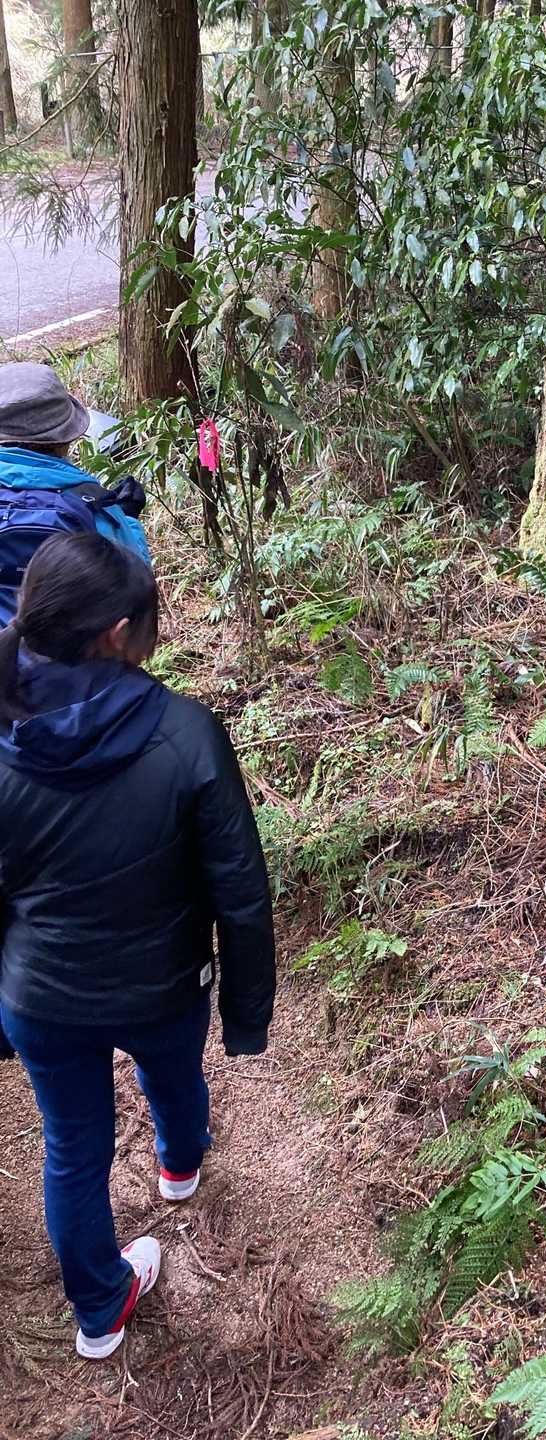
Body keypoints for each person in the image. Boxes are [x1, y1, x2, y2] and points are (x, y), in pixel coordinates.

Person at [0, 534, 276, 1360]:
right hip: (164, 984)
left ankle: (98, 1312)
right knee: (174, 1076)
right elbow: (241, 892)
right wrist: (246, 1014)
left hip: (39, 996)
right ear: (117, 633)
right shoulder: (187, 734)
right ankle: (179, 1168)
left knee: (71, 1146)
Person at [0, 362, 151, 625]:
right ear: (65, 438)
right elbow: (136, 584)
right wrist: (128, 519)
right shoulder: (90, 503)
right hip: (66, 650)